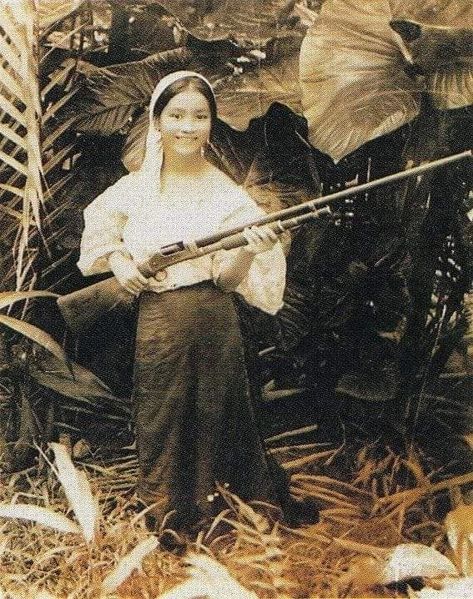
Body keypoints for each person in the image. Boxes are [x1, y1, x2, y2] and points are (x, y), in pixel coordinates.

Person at [77, 70, 315, 538]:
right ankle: (169, 517)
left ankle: (227, 515)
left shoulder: (230, 196)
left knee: (220, 415)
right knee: (161, 416)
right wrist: (122, 262)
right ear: (157, 122)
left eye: (200, 117)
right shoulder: (134, 190)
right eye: (177, 115)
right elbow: (97, 247)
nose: (188, 127)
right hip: (160, 321)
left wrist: (250, 247)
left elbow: (227, 282)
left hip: (215, 320)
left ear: (212, 124)